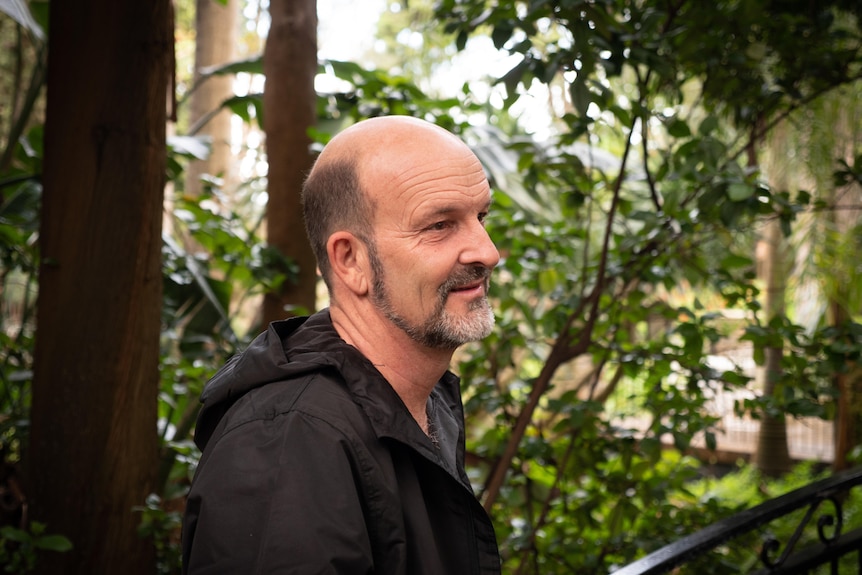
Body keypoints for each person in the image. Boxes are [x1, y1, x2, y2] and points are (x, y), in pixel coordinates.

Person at [181, 115, 502, 574]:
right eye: (439, 225)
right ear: (350, 260)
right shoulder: (288, 442)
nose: (486, 251)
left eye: (480, 217)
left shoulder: (425, 402)